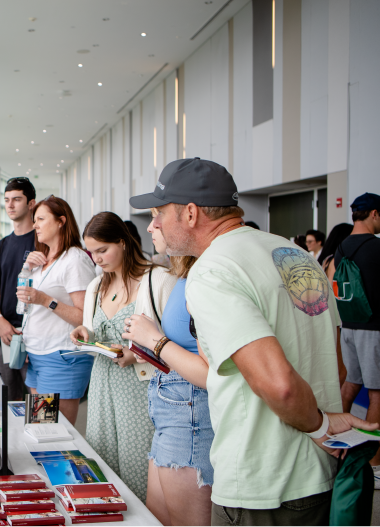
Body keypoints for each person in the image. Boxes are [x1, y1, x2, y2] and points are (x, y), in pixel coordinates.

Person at [131, 157, 377, 526]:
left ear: (191, 214)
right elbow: (333, 360)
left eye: (158, 213)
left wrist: (320, 427)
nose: (153, 225)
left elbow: (280, 386)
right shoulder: (294, 255)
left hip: (265, 481)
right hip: (320, 471)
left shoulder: (214, 271)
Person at [69, 212, 176, 503]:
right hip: (102, 386)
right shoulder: (96, 285)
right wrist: (83, 332)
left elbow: (179, 345)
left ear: (123, 242)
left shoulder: (158, 280)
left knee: (138, 466)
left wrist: (136, 355)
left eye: (103, 250)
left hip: (140, 390)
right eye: (92, 253)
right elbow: (93, 328)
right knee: (102, 462)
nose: (97, 259)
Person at [122, 211, 213, 527]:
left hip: (191, 413)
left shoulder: (203, 277)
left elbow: (208, 373)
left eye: (158, 218)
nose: (150, 227)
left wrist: (155, 339)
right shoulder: (184, 275)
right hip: (169, 409)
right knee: (156, 518)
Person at [15, 196, 95, 427]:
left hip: (62, 357)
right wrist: (26, 268)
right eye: (35, 220)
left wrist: (46, 300)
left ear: (61, 221)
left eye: (41, 219)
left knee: (51, 433)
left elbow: (85, 317)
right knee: (41, 429)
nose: (35, 225)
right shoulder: (42, 260)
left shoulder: (75, 259)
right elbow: (26, 304)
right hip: (38, 355)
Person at [330, 193, 380, 485]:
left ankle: (335, 441)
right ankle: (374, 464)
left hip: (348, 326)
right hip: (373, 329)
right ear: (374, 214)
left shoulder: (341, 246)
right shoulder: (375, 248)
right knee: (377, 393)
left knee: (351, 383)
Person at [0, 177, 36, 401]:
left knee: (39, 403)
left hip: (35, 335)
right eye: (7, 200)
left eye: (17, 199)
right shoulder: (2, 245)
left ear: (31, 203)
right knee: (6, 403)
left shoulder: (41, 241)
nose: (10, 205)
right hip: (5, 336)